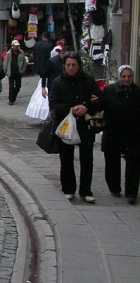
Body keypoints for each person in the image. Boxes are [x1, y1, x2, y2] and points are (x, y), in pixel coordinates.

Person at [49, 52, 102, 203]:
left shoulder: (88, 81)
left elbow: (100, 100)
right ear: (64, 66)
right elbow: (53, 105)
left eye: (74, 65)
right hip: (66, 124)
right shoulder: (58, 82)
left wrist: (87, 106)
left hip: (85, 124)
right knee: (66, 158)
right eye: (68, 65)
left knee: (87, 158)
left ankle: (86, 190)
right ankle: (68, 188)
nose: (71, 68)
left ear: (79, 66)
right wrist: (70, 108)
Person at [99, 65, 140, 204]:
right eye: (124, 76)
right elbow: (100, 104)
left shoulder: (137, 92)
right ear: (119, 77)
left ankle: (131, 192)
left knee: (134, 163)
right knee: (112, 161)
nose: (126, 79)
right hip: (113, 131)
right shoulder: (110, 90)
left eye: (129, 76)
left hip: (133, 133)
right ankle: (114, 188)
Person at [3, 40, 28, 105]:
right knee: (11, 86)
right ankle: (11, 100)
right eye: (15, 46)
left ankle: (13, 96)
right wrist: (5, 71)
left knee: (18, 86)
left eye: (17, 46)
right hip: (11, 72)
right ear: (12, 46)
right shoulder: (9, 53)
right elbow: (6, 63)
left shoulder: (21, 52)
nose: (16, 47)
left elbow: (24, 62)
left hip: (18, 72)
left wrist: (22, 70)